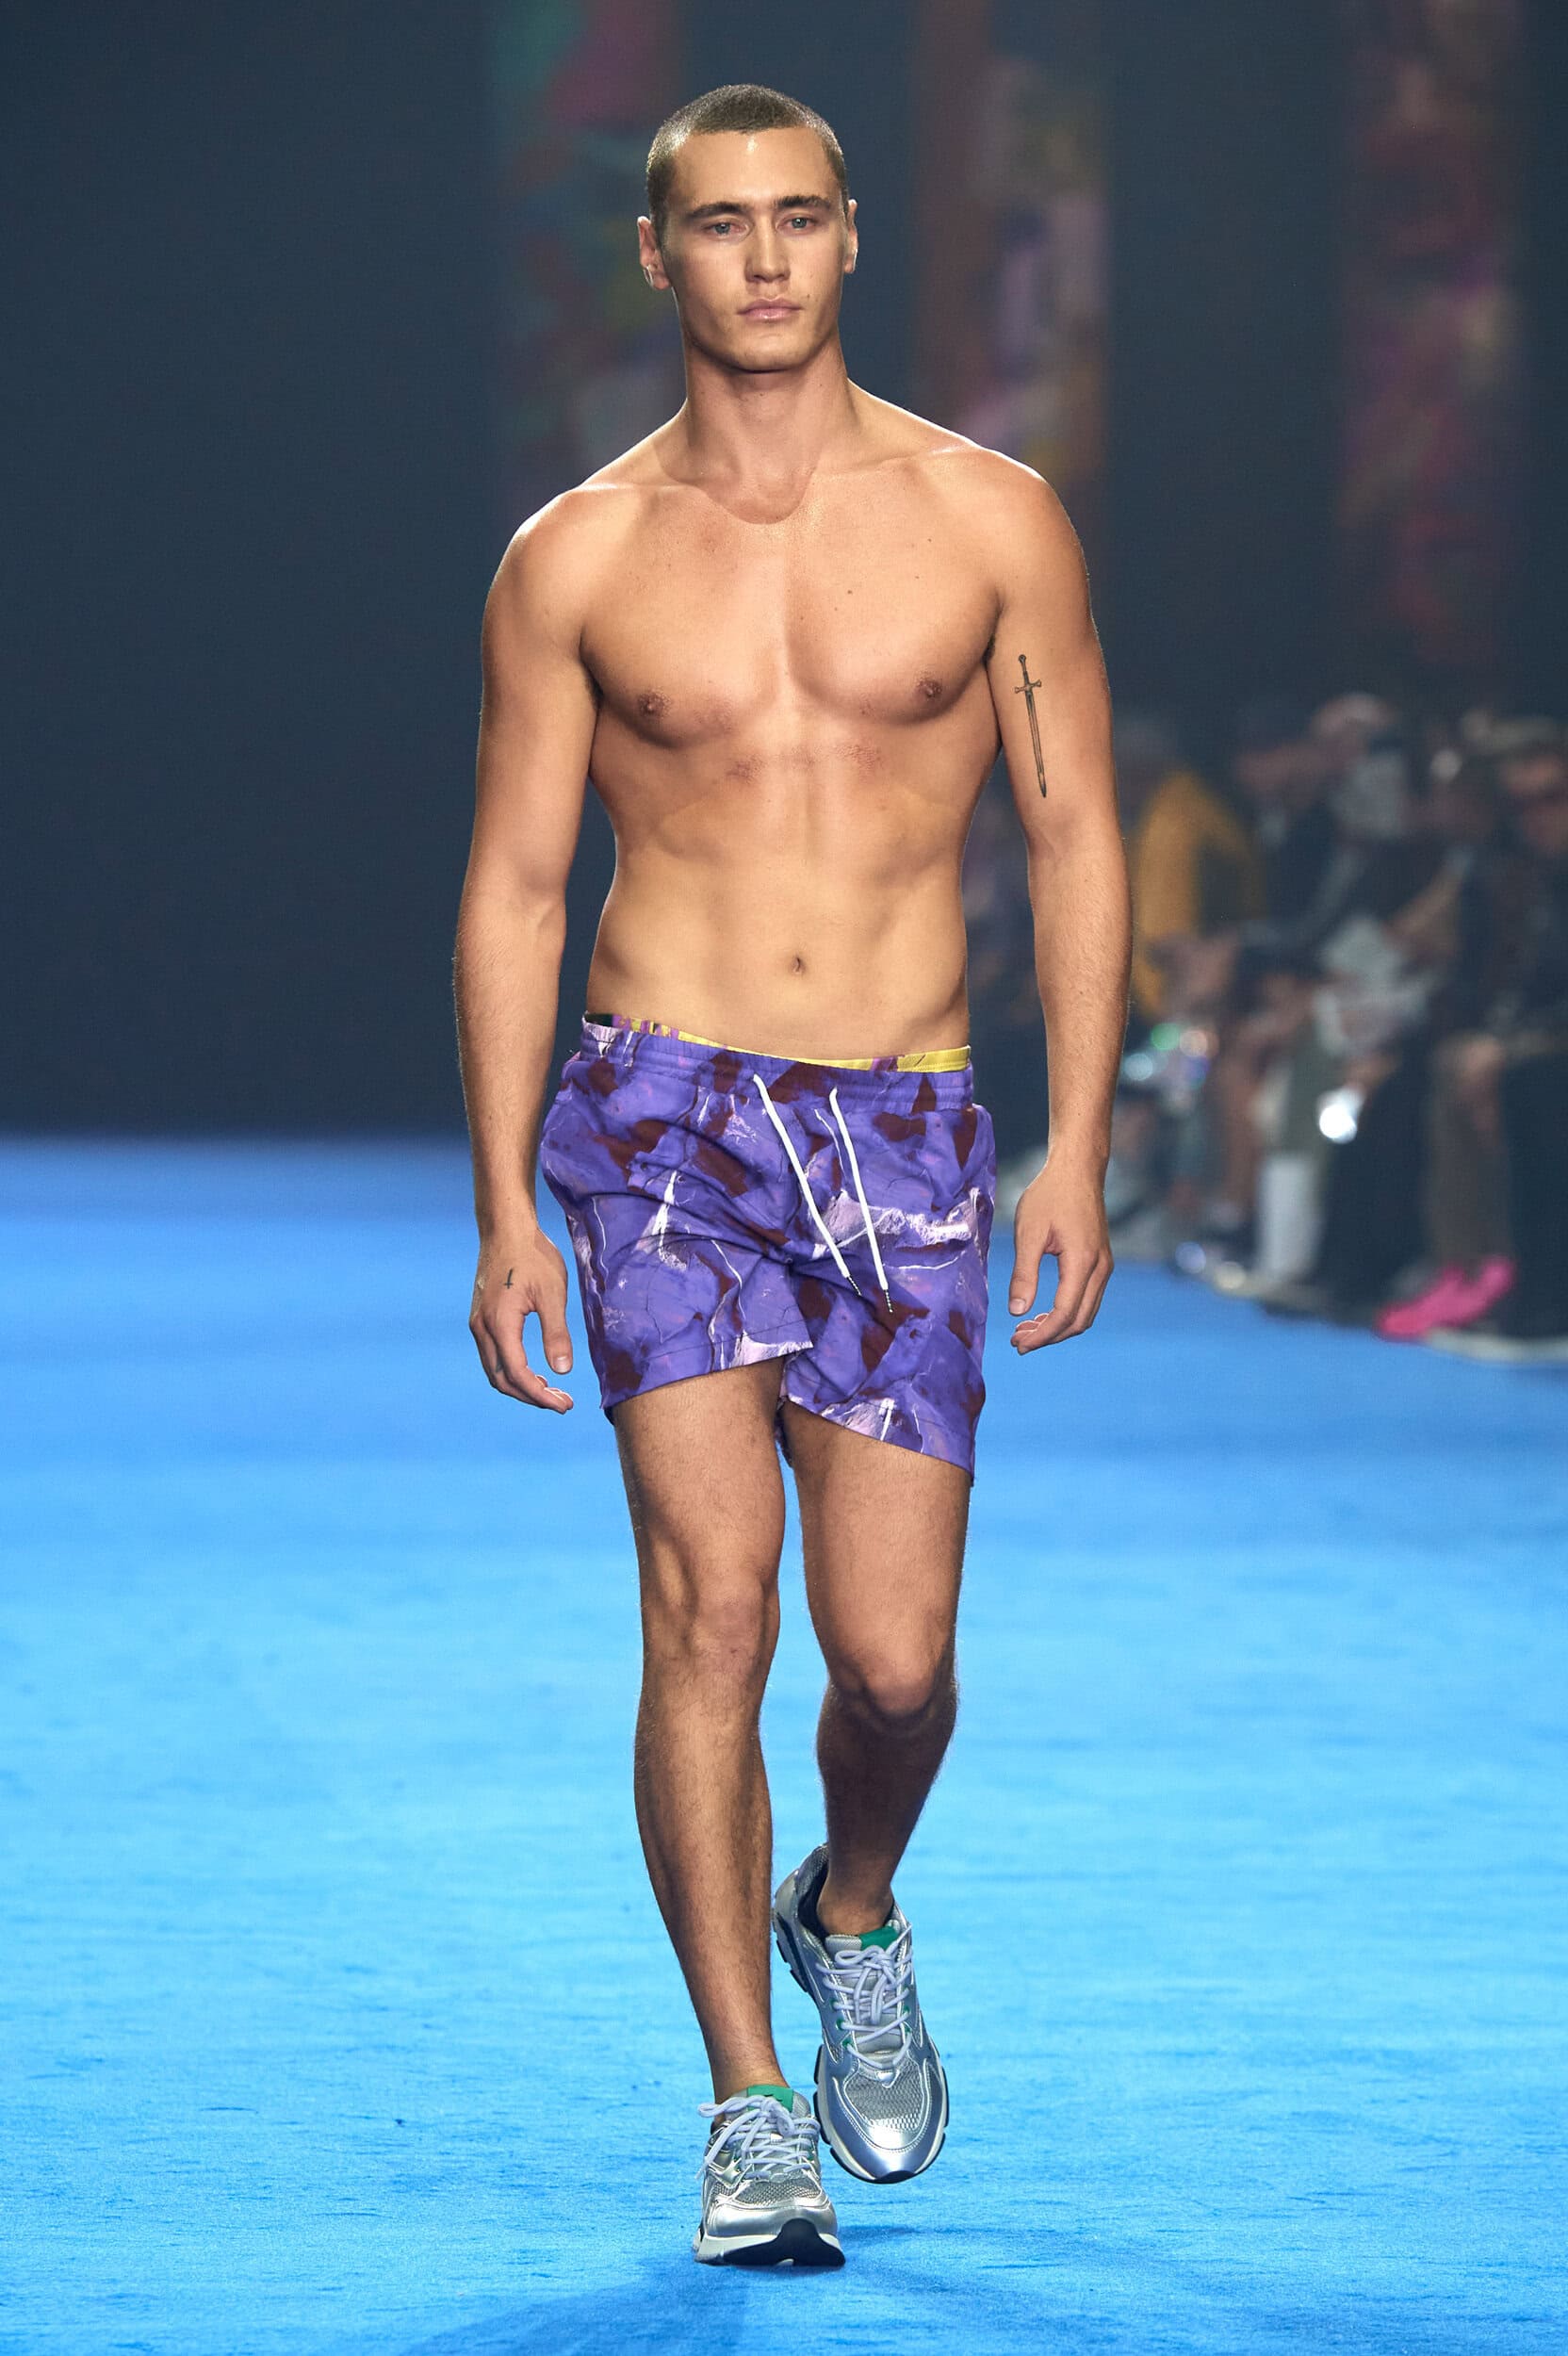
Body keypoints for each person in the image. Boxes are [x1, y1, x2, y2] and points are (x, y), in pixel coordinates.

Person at [452, 83, 1129, 2268]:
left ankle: (846, 1901)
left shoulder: (991, 521)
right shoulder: (574, 555)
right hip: (660, 1119)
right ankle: (746, 2100)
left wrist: (1081, 1141)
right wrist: (503, 1201)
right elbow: (516, 886)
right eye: (721, 223)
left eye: (799, 218)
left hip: (905, 1121)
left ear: (851, 239)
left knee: (896, 1660)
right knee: (710, 1607)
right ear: (657, 254)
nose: (763, 258)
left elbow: (1076, 838)